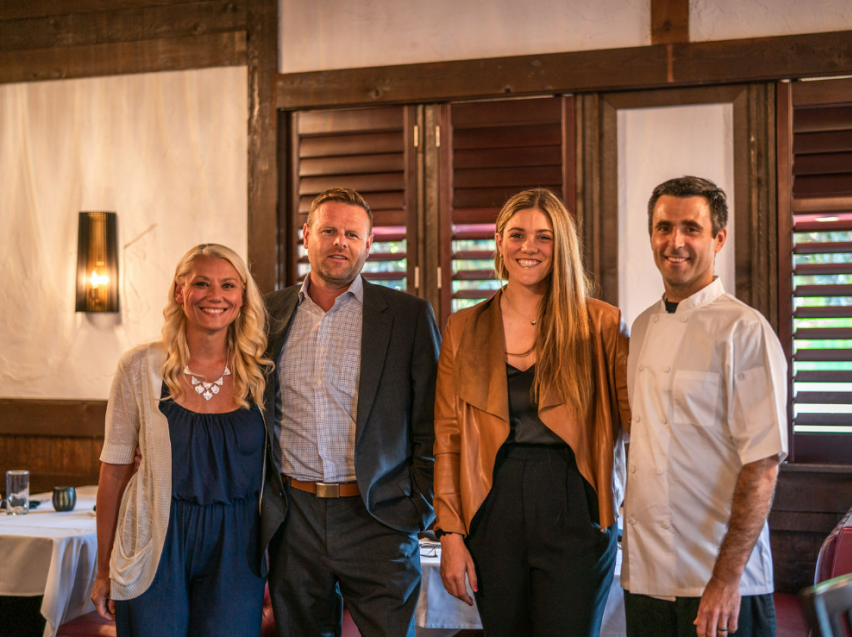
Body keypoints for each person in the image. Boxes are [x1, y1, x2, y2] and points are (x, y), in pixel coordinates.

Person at [434, 187, 630, 637]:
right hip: (491, 506)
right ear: (499, 242)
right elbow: (447, 438)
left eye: (544, 237)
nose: (529, 247)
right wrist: (451, 533)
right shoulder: (462, 327)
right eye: (518, 234)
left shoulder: (601, 323)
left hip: (576, 506)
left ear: (561, 246)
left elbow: (638, 430)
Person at [259, 187, 440, 637]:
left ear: (369, 243)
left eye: (352, 234)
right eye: (329, 230)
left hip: (378, 516)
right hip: (293, 518)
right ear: (306, 236)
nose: (340, 241)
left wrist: (418, 509)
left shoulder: (408, 316)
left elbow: (433, 423)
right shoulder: (264, 314)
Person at [621, 176, 788, 637]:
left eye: (691, 228)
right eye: (664, 228)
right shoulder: (640, 328)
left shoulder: (745, 330)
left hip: (722, 586)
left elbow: (763, 464)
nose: (676, 242)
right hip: (646, 578)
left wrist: (727, 578)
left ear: (719, 238)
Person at [92, 243, 276, 637]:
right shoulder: (140, 368)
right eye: (201, 283)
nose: (215, 295)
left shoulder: (263, 374)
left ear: (242, 297)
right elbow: (113, 471)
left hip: (238, 544)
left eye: (228, 285)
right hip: (156, 537)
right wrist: (102, 569)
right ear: (180, 291)